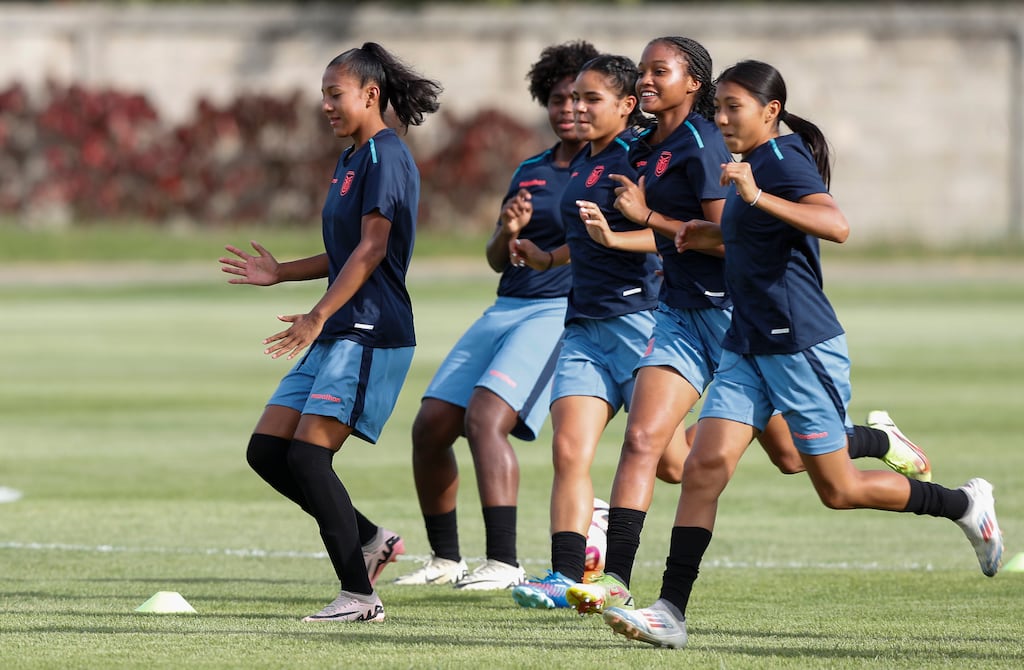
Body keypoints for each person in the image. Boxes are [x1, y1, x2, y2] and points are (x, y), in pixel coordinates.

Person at [602, 60, 1004, 649]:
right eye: (718, 108)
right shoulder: (742, 166)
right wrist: (687, 231)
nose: (722, 118)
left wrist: (756, 195)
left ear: (769, 112)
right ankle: (670, 611)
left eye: (732, 107)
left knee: (836, 489)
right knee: (704, 469)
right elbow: (736, 234)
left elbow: (835, 225)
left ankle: (964, 503)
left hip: (800, 345)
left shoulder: (783, 160)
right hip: (746, 344)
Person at [564, 37, 931, 616]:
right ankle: (621, 582)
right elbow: (688, 231)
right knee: (650, 445)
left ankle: (879, 444)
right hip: (682, 314)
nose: (645, 80)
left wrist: (651, 219)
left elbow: (728, 240)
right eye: (643, 71)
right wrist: (621, 229)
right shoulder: (653, 144)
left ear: (694, 83)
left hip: (736, 315)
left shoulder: (714, 146)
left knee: (799, 462)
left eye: (660, 71)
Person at [218, 42, 441, 623]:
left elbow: (373, 249)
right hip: (339, 327)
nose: (325, 105)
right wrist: (281, 273)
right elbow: (343, 251)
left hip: (370, 330)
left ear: (371, 94)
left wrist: (316, 314)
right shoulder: (351, 160)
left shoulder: (387, 156)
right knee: (268, 452)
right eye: (322, 95)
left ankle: (360, 597)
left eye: (333, 94)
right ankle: (370, 540)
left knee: (310, 459)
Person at [392, 40, 598, 591]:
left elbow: (611, 240)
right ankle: (445, 559)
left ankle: (504, 563)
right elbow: (493, 257)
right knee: (431, 424)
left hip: (557, 312)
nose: (570, 109)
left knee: (486, 418)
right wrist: (506, 232)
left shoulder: (610, 165)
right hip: (506, 305)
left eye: (581, 99)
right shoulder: (530, 168)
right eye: (558, 99)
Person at [507, 53, 663, 610]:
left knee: (677, 462)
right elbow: (589, 238)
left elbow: (677, 235)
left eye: (591, 99)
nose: (576, 107)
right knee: (569, 451)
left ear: (626, 105)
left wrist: (624, 237)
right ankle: (563, 575)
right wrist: (548, 259)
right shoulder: (584, 165)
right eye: (573, 98)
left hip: (639, 321)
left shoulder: (639, 159)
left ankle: (817, 433)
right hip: (583, 328)